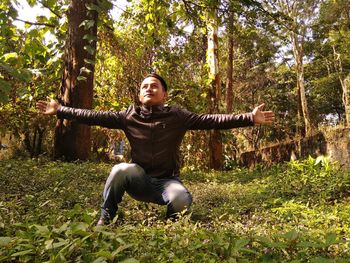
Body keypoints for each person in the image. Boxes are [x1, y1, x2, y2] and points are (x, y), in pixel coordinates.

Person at [36, 73, 275, 226]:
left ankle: (172, 226)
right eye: (144, 86)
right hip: (138, 181)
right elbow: (92, 116)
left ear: (165, 94)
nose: (148, 89)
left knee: (181, 197)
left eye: (154, 86)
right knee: (121, 169)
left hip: (167, 182)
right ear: (139, 94)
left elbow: (210, 120)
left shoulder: (178, 115)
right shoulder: (128, 116)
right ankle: (106, 217)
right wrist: (60, 110)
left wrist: (249, 118)